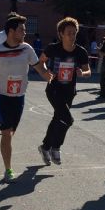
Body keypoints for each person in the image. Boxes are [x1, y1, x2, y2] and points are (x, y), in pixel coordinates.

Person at [0, 14, 52, 183]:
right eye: (21, 30)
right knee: (6, 134)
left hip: (19, 97)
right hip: (1, 96)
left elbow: (38, 67)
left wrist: (48, 76)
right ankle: (8, 170)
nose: (25, 33)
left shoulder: (27, 49)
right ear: (11, 31)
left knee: (11, 132)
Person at [37, 17, 90, 166]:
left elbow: (88, 71)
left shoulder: (80, 51)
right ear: (61, 34)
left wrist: (82, 73)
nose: (72, 36)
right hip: (54, 89)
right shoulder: (53, 48)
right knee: (67, 119)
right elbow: (40, 62)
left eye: (74, 33)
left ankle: (45, 147)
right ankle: (56, 148)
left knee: (58, 118)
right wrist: (46, 72)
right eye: (69, 33)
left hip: (69, 91)